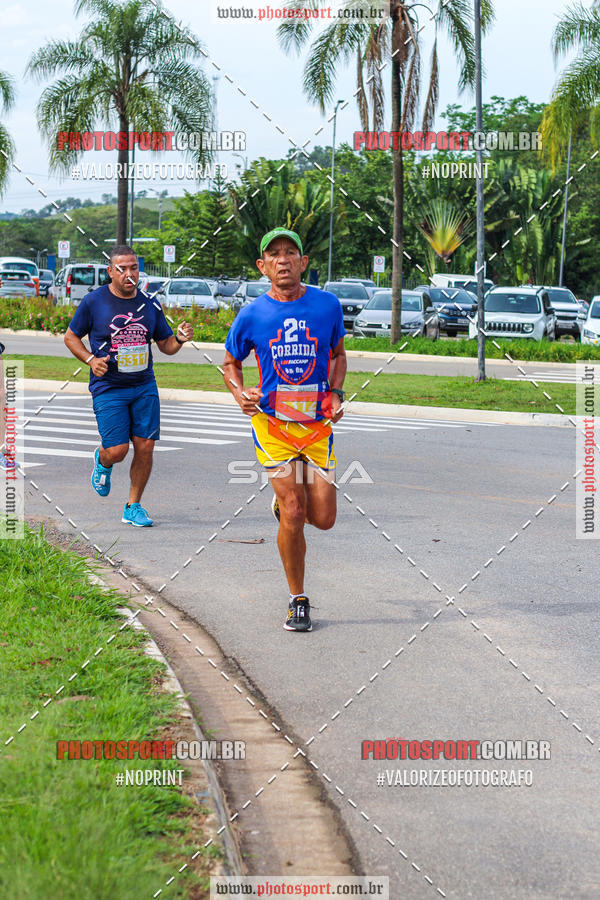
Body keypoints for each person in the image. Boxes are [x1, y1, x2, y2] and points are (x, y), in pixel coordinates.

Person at [223, 228, 347, 632]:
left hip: (315, 428)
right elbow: (230, 363)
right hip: (273, 426)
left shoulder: (327, 306)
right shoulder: (252, 314)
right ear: (262, 267)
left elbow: (338, 354)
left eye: (290, 253)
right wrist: (240, 392)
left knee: (324, 517)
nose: (282, 260)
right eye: (273, 254)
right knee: (295, 511)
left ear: (303, 261)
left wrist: (336, 392)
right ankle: (298, 600)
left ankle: (283, 509)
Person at [64, 245, 193, 526]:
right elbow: (71, 337)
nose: (128, 273)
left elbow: (166, 346)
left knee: (145, 446)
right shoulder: (94, 302)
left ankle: (133, 506)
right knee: (118, 450)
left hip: (144, 385)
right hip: (108, 386)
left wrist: (180, 339)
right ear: (111, 272)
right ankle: (103, 459)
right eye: (121, 268)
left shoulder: (150, 304)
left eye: (133, 267)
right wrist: (89, 359)